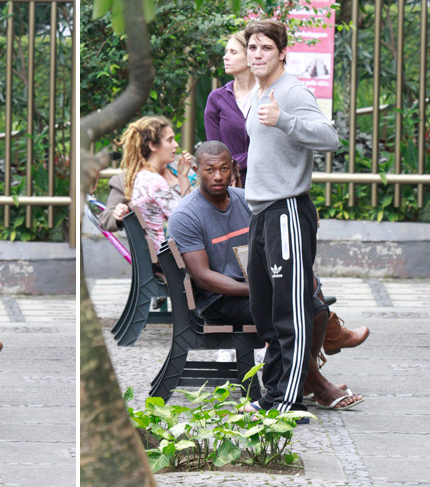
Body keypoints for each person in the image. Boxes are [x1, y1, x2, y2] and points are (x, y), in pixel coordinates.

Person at [168, 141, 364, 411]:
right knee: (286, 314)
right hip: (219, 300)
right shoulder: (186, 214)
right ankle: (315, 384)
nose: (217, 176)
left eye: (224, 168)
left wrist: (274, 286)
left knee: (316, 309)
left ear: (233, 168)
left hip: (258, 286)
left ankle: (301, 377)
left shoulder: (246, 200)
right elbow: (203, 278)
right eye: (209, 169)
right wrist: (263, 291)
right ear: (195, 170)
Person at [242, 19, 339, 413]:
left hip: (287, 211)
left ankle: (287, 401)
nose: (257, 55)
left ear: (282, 52)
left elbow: (329, 137)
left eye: (265, 48)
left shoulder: (292, 91)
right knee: (265, 311)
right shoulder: (261, 90)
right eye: (252, 48)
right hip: (261, 212)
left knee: (291, 311)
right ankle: (272, 396)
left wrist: (284, 119)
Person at [117, 116, 193, 251]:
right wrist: (183, 177)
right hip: (175, 258)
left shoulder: (141, 177)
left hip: (163, 255)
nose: (176, 145)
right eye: (170, 140)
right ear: (152, 145)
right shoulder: (154, 182)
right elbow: (189, 218)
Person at [204, 31, 257, 186]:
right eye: (226, 52)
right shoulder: (216, 99)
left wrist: (235, 162)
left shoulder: (268, 95)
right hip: (230, 184)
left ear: (250, 58)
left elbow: (275, 149)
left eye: (233, 52)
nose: (225, 57)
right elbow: (214, 151)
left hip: (267, 183)